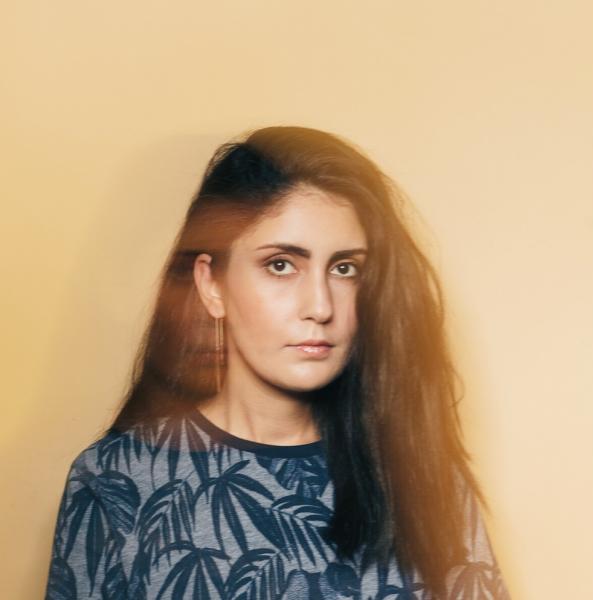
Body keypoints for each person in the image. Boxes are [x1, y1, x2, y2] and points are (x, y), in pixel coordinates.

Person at [44, 126, 511, 599]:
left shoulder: (423, 477)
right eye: (281, 264)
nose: (320, 306)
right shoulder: (116, 479)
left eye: (344, 268)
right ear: (211, 285)